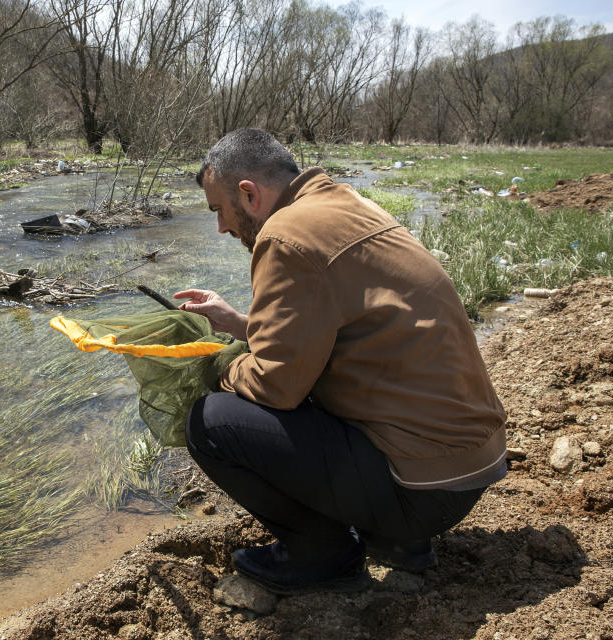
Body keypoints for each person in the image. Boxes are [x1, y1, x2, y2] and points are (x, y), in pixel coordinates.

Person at [173, 128, 507, 595]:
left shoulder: (283, 237)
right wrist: (239, 325)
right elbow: (331, 330)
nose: (222, 228)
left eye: (219, 211)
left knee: (209, 422)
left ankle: (322, 554)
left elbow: (275, 386)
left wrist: (217, 365)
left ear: (248, 195)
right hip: (467, 467)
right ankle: (399, 542)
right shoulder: (341, 204)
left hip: (423, 491)